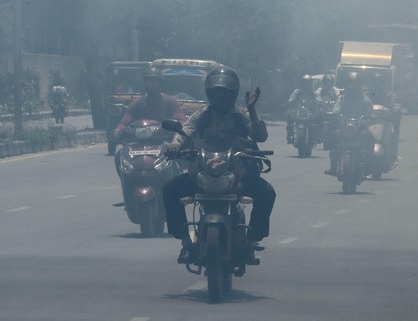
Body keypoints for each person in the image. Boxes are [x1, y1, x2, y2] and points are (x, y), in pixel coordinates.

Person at [162, 66, 275, 264]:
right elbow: (185, 131)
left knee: (267, 193)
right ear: (209, 93)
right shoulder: (201, 115)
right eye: (216, 92)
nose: (220, 97)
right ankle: (185, 241)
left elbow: (260, 136)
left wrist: (252, 109)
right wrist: (174, 145)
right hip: (204, 171)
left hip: (237, 172)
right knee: (169, 190)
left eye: (224, 92)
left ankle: (252, 239)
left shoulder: (242, 115)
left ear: (232, 94)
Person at [113, 67, 186, 142]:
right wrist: (118, 130)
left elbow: (180, 122)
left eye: (155, 82)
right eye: (148, 82)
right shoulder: (137, 103)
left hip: (165, 142)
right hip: (139, 142)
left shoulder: (171, 102)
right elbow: (124, 123)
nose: (151, 85)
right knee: (121, 153)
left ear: (160, 84)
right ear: (145, 84)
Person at [326, 72, 374, 175]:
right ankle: (333, 165)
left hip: (360, 129)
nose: (352, 86)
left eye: (355, 83)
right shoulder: (342, 99)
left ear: (359, 85)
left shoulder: (366, 101)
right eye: (350, 83)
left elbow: (370, 116)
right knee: (333, 136)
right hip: (345, 128)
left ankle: (369, 166)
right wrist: (333, 115)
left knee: (370, 138)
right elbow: (336, 111)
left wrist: (368, 120)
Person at [286, 74, 319, 144]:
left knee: (318, 117)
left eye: (308, 83)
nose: (306, 85)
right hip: (298, 111)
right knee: (289, 116)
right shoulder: (297, 92)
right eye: (305, 83)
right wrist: (291, 101)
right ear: (302, 83)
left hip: (310, 112)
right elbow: (291, 99)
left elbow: (319, 100)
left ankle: (316, 136)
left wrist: (319, 103)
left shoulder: (313, 93)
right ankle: (290, 136)